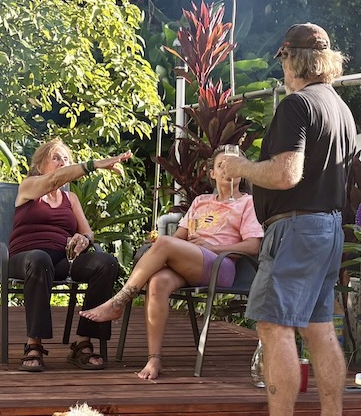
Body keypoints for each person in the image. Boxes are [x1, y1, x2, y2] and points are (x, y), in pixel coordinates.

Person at [220, 23, 358, 416]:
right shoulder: (339, 108)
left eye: (281, 59)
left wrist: (240, 165)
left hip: (297, 228)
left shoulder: (297, 106)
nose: (281, 68)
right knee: (319, 328)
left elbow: (285, 174)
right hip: (329, 228)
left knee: (275, 326)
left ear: (292, 58)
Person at [81, 145, 264, 381]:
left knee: (165, 244)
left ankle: (119, 301)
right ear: (212, 174)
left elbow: (252, 246)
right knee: (157, 281)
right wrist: (172, 249)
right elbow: (178, 240)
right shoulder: (200, 202)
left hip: (221, 265)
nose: (227, 170)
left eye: (234, 165)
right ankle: (154, 358)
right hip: (190, 262)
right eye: (221, 165)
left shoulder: (247, 203)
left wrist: (212, 248)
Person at [8, 139, 130, 372]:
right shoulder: (29, 186)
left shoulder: (70, 199)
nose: (62, 162)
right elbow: (55, 179)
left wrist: (85, 239)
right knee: (40, 259)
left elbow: (87, 231)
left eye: (66, 159)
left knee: (105, 263)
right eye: (56, 157)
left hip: (63, 260)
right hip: (25, 258)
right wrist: (97, 164)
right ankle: (33, 343)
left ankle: (84, 341)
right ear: (40, 164)